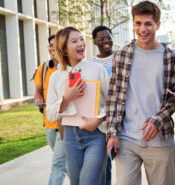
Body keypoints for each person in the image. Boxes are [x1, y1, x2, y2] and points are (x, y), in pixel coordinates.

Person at [106, 1, 175, 185]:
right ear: (133, 24)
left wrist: (157, 120)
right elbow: (114, 96)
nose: (143, 29)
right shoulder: (121, 55)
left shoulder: (170, 57)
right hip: (127, 139)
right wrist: (112, 133)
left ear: (158, 24)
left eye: (148, 23)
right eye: (138, 23)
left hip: (160, 141)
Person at [46, 27, 110, 185]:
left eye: (81, 39)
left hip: (96, 135)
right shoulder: (56, 77)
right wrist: (66, 98)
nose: (81, 43)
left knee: (88, 182)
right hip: (69, 136)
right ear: (64, 49)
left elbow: (113, 102)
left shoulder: (97, 69)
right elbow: (51, 114)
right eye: (74, 41)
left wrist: (98, 120)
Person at [33, 35, 67, 185]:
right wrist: (38, 99)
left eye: (55, 45)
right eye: (50, 45)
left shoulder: (69, 68)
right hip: (49, 122)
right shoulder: (44, 68)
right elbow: (38, 90)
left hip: (65, 124)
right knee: (63, 161)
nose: (52, 48)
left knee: (58, 163)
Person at [89, 25, 114, 185]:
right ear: (95, 42)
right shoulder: (91, 64)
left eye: (108, 37)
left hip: (119, 116)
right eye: (101, 39)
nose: (106, 41)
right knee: (104, 163)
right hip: (101, 119)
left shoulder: (121, 57)